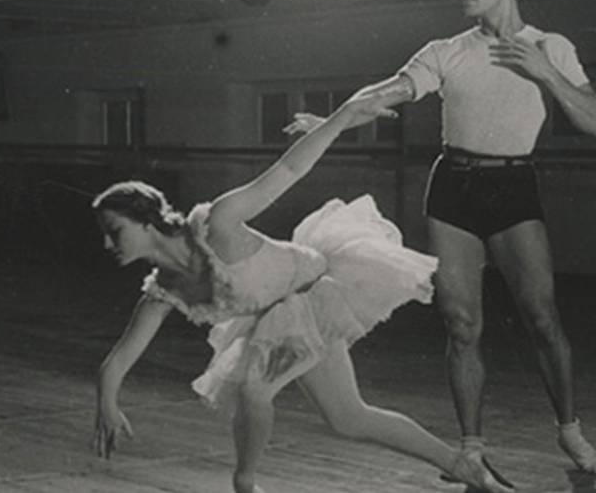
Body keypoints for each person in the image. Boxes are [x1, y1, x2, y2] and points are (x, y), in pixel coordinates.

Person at [90, 89, 513, 493]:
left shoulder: (217, 223)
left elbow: (289, 171)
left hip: (316, 292)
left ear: (146, 222)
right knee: (348, 418)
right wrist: (107, 402)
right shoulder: (163, 292)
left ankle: (244, 481)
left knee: (256, 387)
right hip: (279, 318)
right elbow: (119, 358)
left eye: (115, 232)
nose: (109, 245)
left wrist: (344, 116)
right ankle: (461, 465)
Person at [284, 0, 596, 479]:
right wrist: (333, 122)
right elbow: (387, 91)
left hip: (513, 184)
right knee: (460, 323)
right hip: (453, 186)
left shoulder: (551, 46)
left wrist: (546, 72)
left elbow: (591, 120)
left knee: (543, 319)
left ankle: (570, 432)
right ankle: (470, 448)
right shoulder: (445, 52)